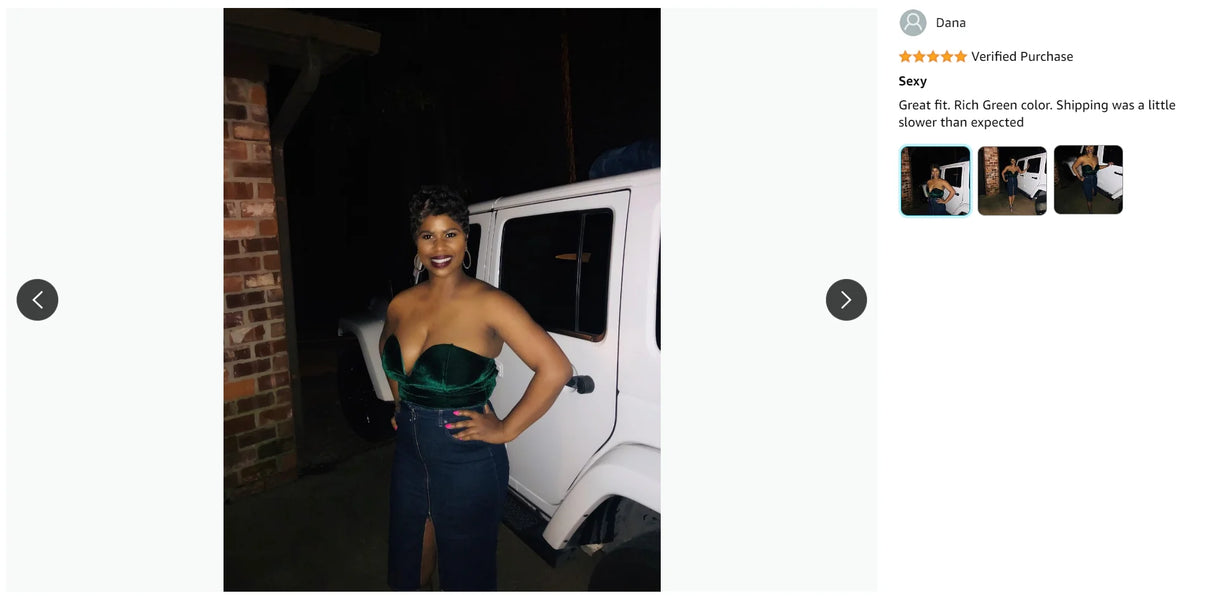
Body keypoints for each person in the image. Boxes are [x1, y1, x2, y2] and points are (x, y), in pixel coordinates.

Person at [379, 186, 573, 590]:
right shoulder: (401, 303)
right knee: (407, 561)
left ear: (466, 238)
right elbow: (387, 347)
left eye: (450, 233)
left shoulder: (491, 303)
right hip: (410, 457)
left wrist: (505, 429)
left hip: (466, 459)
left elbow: (555, 368)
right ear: (415, 242)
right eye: (427, 235)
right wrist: (402, 403)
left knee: (466, 571)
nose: (439, 246)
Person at [1071, 145, 1114, 213]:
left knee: (1094, 191)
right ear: (1085, 148)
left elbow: (1098, 167)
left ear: (1094, 147)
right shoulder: (1082, 158)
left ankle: (1091, 194)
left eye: (1091, 146)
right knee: (1089, 199)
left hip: (1094, 178)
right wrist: (1079, 177)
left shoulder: (1096, 157)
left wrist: (1107, 165)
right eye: (1087, 146)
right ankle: (1090, 212)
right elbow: (1074, 167)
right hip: (1086, 180)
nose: (1089, 148)